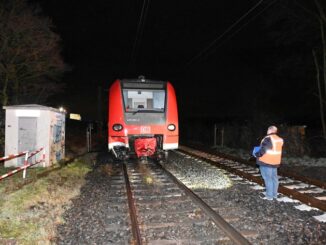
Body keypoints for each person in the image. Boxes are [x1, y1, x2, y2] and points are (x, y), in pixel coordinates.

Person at [253, 126, 284, 200]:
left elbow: (263, 150)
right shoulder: (279, 139)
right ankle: (274, 195)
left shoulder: (268, 138)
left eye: (267, 129)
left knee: (268, 179)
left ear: (269, 130)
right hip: (275, 162)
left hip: (266, 162)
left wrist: (256, 154)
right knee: (274, 179)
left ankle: (269, 196)